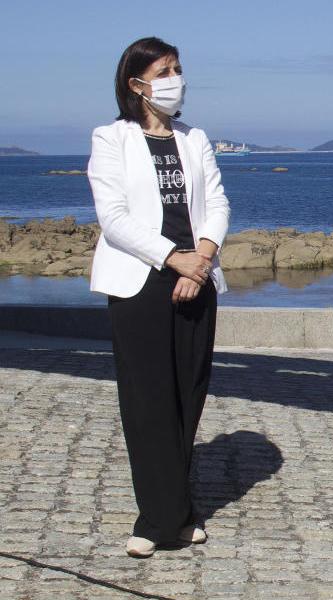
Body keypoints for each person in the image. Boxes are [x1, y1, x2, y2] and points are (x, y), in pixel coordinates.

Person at [87, 37, 229, 558]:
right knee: (148, 402)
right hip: (140, 282)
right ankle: (158, 520)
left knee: (187, 397)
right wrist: (175, 258)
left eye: (178, 68)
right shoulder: (110, 139)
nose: (175, 79)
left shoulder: (194, 138)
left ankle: (177, 509)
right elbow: (115, 219)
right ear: (137, 84)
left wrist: (203, 259)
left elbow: (216, 201)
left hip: (198, 278)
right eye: (164, 70)